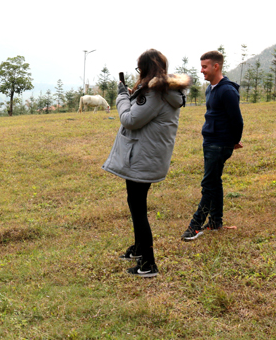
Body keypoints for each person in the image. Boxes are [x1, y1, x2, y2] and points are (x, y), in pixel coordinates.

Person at [102, 49, 190, 278]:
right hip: (147, 156)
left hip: (142, 158)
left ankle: (149, 263)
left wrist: (122, 97)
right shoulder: (164, 91)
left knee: (138, 207)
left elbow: (130, 119)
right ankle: (140, 249)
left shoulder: (155, 93)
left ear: (144, 69)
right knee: (135, 202)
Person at [182, 51, 243, 241]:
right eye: (201, 67)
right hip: (209, 141)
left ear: (216, 66)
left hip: (220, 144)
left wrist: (234, 140)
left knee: (208, 184)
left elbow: (237, 120)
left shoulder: (227, 90)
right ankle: (216, 221)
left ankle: (195, 225)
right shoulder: (210, 89)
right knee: (214, 182)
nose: (201, 71)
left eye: (205, 67)